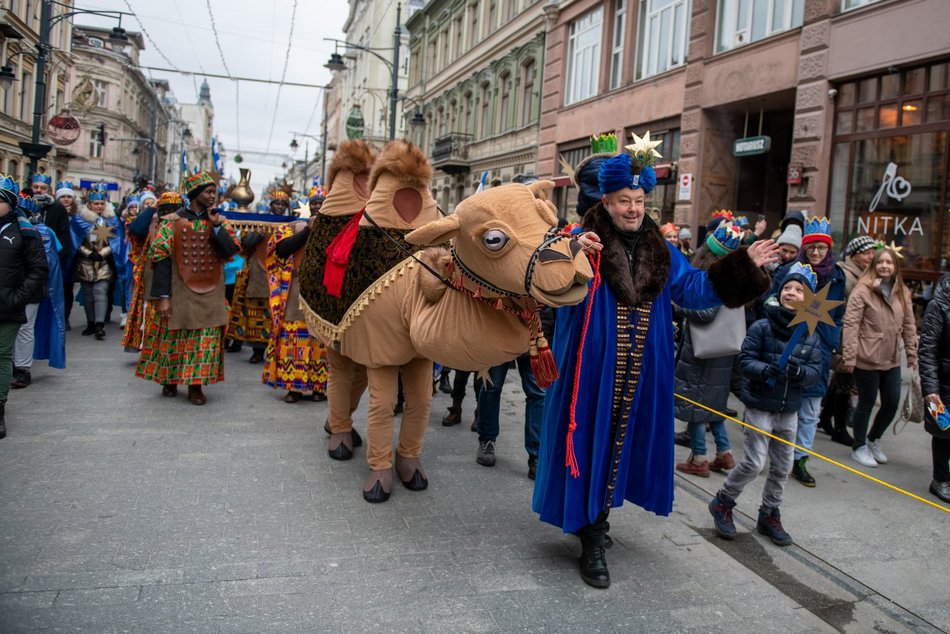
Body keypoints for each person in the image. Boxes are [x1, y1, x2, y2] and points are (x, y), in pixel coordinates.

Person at [532, 132, 778, 588]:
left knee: (621, 445)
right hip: (592, 372)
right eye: (623, 200)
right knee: (590, 442)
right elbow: (546, 281)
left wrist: (746, 265)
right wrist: (569, 256)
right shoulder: (578, 238)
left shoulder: (660, 250)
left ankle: (598, 520)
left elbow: (696, 290)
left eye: (639, 200)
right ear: (605, 201)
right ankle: (592, 534)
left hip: (643, 371)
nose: (632, 208)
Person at [709, 263, 823, 546]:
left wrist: (799, 373)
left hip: (789, 409)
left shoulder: (810, 334)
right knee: (754, 462)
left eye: (799, 290)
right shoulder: (762, 325)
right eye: (787, 288)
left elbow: (816, 372)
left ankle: (769, 513)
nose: (792, 293)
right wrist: (765, 370)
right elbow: (745, 361)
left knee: (783, 466)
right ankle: (723, 501)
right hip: (761, 403)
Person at [134, 172, 240, 405]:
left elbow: (230, 252)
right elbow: (161, 260)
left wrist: (215, 228)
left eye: (214, 192)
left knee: (205, 341)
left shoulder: (220, 222)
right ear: (194, 194)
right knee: (175, 338)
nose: (213, 196)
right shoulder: (171, 222)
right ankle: (170, 380)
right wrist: (163, 297)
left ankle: (195, 386)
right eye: (208, 192)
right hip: (179, 289)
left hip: (211, 291)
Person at [770, 217, 846, 487]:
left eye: (821, 248)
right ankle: (776, 454)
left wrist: (832, 338)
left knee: (811, 409)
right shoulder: (789, 270)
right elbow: (770, 300)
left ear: (828, 249)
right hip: (785, 344)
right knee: (779, 404)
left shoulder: (837, 275)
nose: (816, 252)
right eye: (811, 247)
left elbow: (838, 314)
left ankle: (800, 459)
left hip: (819, 350)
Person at [674, 220, 747, 477]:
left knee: (695, 407)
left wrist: (677, 304)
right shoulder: (736, 277)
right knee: (713, 406)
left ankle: (700, 458)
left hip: (702, 351)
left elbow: (704, 313)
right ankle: (724, 453)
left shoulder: (713, 277)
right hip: (721, 351)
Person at [840, 245, 917, 467]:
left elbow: (910, 324)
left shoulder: (902, 291)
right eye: (880, 262)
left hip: (892, 356)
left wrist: (911, 352)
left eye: (889, 262)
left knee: (892, 402)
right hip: (867, 356)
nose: (884, 266)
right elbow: (851, 324)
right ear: (874, 266)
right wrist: (849, 356)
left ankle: (874, 439)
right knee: (865, 403)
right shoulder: (862, 290)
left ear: (895, 267)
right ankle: (859, 446)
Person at [475, 307, 553, 479]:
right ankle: (487, 439)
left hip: (534, 333)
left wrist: (545, 333)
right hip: (501, 331)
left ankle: (536, 454)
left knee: (538, 394)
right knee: (491, 388)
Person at [0, 175, 49, 438]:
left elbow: (38, 269)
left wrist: (18, 297)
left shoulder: (25, 231)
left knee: (1, 355)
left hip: (7, 304)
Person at [261, 217, 328, 403]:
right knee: (293, 335)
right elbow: (281, 250)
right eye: (314, 203)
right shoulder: (289, 228)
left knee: (320, 339)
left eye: (321, 203)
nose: (317, 207)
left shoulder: (333, 227)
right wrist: (307, 230)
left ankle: (318, 387)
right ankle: (293, 387)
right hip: (295, 289)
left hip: (322, 290)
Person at [817, 234, 875, 445]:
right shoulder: (846, 274)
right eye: (866, 253)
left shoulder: (864, 274)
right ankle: (839, 427)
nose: (871, 256)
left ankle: (825, 418)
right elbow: (841, 308)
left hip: (857, 333)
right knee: (844, 378)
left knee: (841, 378)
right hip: (845, 332)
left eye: (872, 253)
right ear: (854, 255)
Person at [12, 194, 65, 387]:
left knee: (25, 328)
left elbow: (45, 264)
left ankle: (22, 369)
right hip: (7, 287)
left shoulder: (39, 232)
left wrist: (26, 288)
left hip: (28, 288)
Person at [122, 191, 180, 353]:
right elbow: (136, 229)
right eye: (166, 208)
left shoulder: (183, 223)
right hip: (148, 273)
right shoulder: (150, 220)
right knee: (149, 310)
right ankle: (147, 344)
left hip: (175, 276)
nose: (169, 212)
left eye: (174, 208)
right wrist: (151, 209)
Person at [69, 184, 121, 340]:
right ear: (89, 204)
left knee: (100, 292)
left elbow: (117, 242)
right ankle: (90, 322)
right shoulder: (79, 220)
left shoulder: (111, 219)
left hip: (104, 263)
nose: (99, 206)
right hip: (85, 263)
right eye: (96, 203)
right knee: (88, 294)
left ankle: (100, 325)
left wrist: (103, 253)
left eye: (102, 203)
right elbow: (74, 241)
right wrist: (88, 253)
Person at [919, 273, 950, 503]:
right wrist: (931, 388)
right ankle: (940, 479)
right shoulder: (938, 304)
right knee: (944, 432)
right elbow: (927, 349)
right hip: (942, 384)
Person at [55, 181, 78, 327]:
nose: (66, 199)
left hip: (72, 257)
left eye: (68, 197)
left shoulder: (77, 216)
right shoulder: (52, 213)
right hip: (57, 255)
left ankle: (65, 317)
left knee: (67, 288)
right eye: (62, 196)